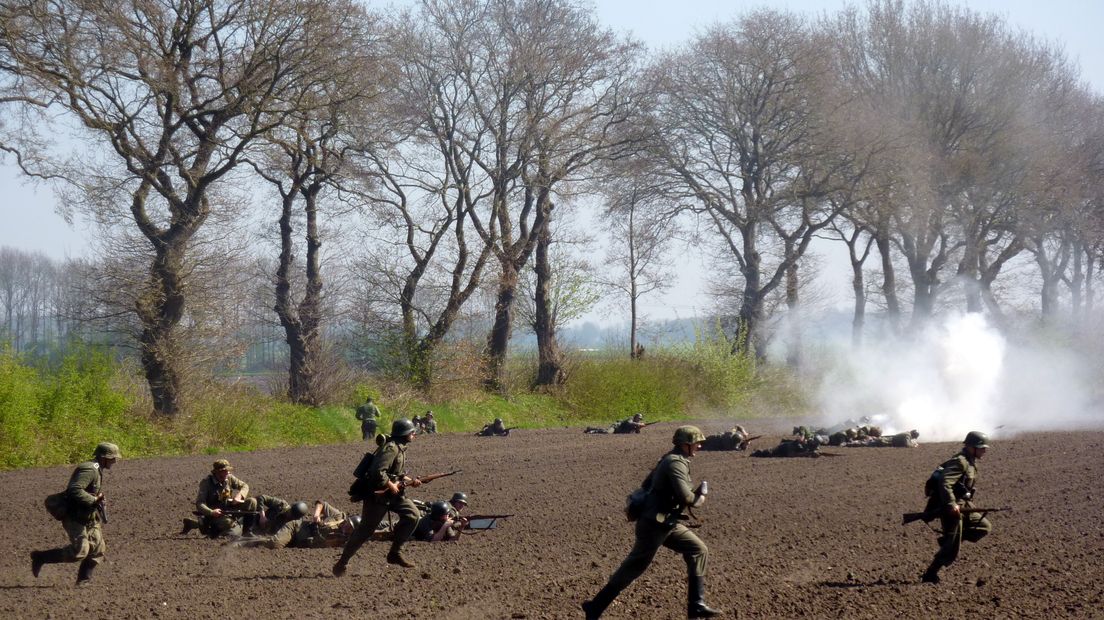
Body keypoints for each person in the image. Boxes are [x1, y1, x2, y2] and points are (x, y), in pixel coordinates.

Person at [582, 426, 720, 619]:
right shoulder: (674, 463)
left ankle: (696, 605)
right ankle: (595, 607)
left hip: (666, 522)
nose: (699, 446)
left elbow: (649, 485)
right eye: (696, 443)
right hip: (654, 524)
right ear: (685, 444)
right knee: (634, 566)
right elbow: (688, 498)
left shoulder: (676, 460)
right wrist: (702, 495)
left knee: (698, 549)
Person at [333, 418, 423, 575]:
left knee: (413, 515)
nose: (414, 434)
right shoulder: (391, 448)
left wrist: (411, 480)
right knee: (365, 531)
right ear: (405, 434)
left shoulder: (400, 447)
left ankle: (395, 553)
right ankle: (342, 562)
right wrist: (391, 485)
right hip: (378, 496)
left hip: (394, 495)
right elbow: (377, 471)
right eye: (412, 432)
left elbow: (395, 473)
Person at [31, 442, 120, 586]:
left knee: (97, 549)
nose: (115, 461)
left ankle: (83, 581)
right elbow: (74, 490)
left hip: (89, 516)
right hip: (75, 517)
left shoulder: (97, 469)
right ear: (104, 457)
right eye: (113, 458)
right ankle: (40, 557)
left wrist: (97, 499)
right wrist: (94, 499)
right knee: (79, 551)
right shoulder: (89, 469)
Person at [920, 431, 993, 584]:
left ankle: (950, 540)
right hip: (950, 507)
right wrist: (951, 504)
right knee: (951, 546)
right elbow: (945, 483)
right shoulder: (960, 461)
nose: (985, 450)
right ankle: (930, 573)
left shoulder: (970, 461)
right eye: (982, 447)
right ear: (972, 447)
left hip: (963, 504)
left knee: (984, 527)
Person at [182, 459, 257, 538]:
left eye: (228, 470)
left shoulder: (229, 478)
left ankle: (248, 532)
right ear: (217, 472)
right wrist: (211, 512)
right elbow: (200, 503)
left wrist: (240, 496)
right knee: (228, 523)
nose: (228, 472)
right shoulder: (206, 483)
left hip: (229, 508)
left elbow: (245, 486)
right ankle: (198, 524)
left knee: (252, 501)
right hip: (215, 515)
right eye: (225, 471)